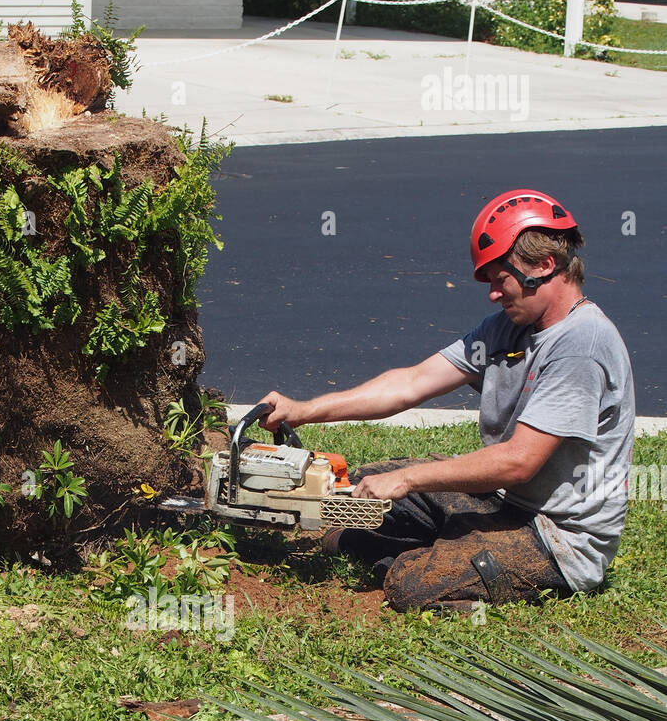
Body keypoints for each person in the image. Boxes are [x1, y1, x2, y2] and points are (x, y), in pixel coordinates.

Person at [260, 190, 636, 613]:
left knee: (410, 584)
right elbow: (412, 383)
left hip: (555, 538)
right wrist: (304, 411)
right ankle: (453, 547)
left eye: (500, 279)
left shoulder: (581, 343)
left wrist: (411, 478)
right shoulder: (508, 329)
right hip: (503, 500)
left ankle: (449, 570)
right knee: (356, 502)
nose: (493, 293)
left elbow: (519, 461)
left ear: (544, 266)